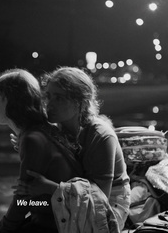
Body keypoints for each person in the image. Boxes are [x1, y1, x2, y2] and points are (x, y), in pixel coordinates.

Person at [16, 66, 131, 230]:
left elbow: (100, 200)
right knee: (31, 208)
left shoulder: (100, 136)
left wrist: (50, 187)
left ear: (80, 102)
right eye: (48, 96)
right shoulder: (57, 128)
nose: (50, 104)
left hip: (109, 205)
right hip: (69, 195)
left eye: (59, 98)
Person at [0, 68, 84, 233]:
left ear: (10, 102)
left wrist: (2, 229)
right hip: (55, 210)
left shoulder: (32, 139)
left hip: (57, 221)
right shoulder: (41, 131)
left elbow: (24, 200)